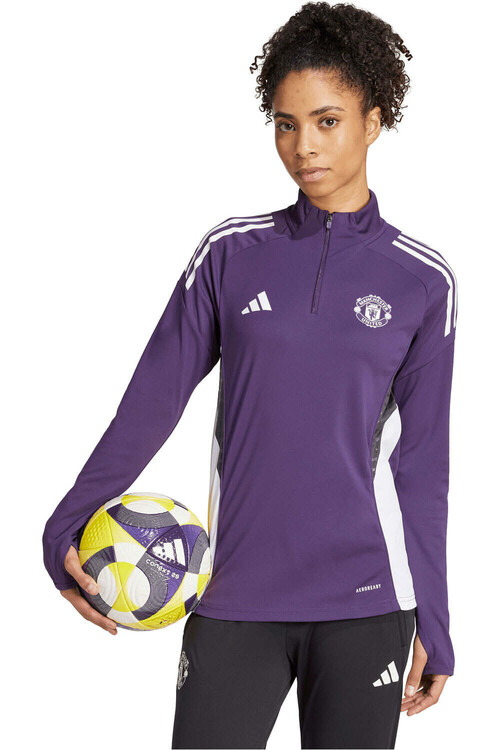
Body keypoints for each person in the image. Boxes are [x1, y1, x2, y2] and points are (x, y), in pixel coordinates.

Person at [42, 2, 458, 748]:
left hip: (367, 601)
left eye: (327, 121)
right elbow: (152, 400)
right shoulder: (230, 255)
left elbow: (423, 466)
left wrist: (438, 616)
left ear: (374, 120)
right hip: (233, 593)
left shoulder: (422, 281)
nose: (303, 146)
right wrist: (67, 521)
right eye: (285, 124)